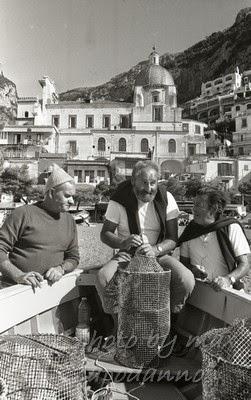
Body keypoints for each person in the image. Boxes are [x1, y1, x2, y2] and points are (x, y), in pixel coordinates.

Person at [97, 160, 195, 321]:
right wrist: (123, 242)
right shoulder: (118, 199)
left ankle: (167, 320)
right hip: (128, 254)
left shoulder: (167, 198)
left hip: (158, 255)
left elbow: (172, 239)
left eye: (153, 183)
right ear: (133, 180)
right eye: (144, 183)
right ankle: (119, 323)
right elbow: (105, 233)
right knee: (103, 277)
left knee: (186, 280)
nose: (149, 188)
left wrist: (155, 249)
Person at [0, 164, 80, 289]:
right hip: (16, 290)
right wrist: (18, 275)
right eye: (67, 196)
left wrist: (61, 269)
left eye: (72, 197)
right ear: (52, 193)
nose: (72, 201)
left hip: (51, 291)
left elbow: (73, 258)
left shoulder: (70, 221)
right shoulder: (23, 214)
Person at [178, 187, 250, 290]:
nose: (193, 209)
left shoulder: (230, 228)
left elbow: (245, 265)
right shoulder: (190, 231)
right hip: (197, 294)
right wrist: (193, 270)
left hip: (227, 293)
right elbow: (183, 264)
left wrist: (227, 279)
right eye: (194, 204)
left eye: (198, 205)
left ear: (214, 208)